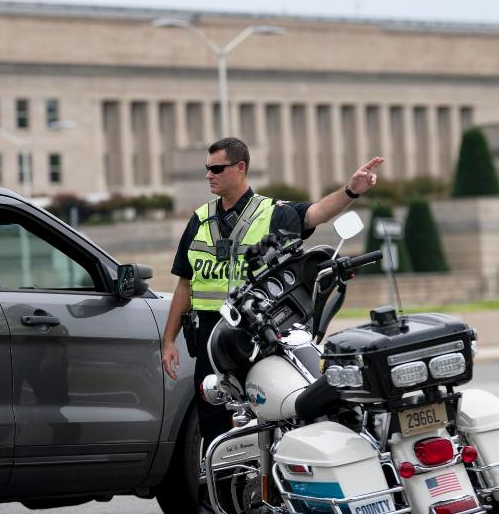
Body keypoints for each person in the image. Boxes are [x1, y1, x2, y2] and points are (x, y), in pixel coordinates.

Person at [161, 136, 383, 510]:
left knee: (274, 412)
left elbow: (316, 213)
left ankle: (279, 489)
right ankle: (223, 500)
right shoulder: (200, 219)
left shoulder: (272, 213)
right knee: (213, 421)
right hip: (212, 338)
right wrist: (169, 340)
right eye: (207, 169)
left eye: (217, 168)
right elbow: (185, 283)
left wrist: (350, 190)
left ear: (240, 168)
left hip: (259, 335)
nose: (209, 175)